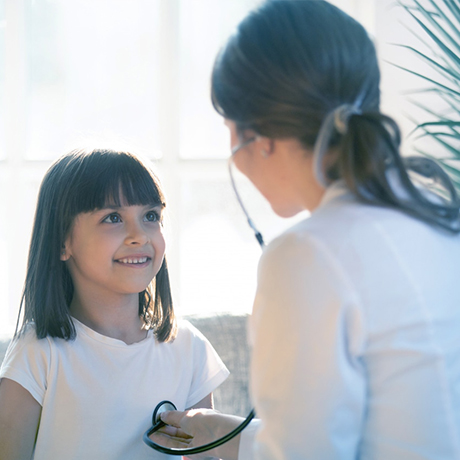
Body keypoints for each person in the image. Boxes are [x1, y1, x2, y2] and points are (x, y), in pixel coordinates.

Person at [150, 1, 460, 459]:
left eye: (230, 131)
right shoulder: (438, 215)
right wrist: (230, 435)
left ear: (259, 139)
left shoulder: (307, 257)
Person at [0, 148, 230, 459]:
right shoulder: (38, 353)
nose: (139, 235)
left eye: (151, 216)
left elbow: (207, 456)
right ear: (62, 242)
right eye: (113, 218)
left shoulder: (190, 349)